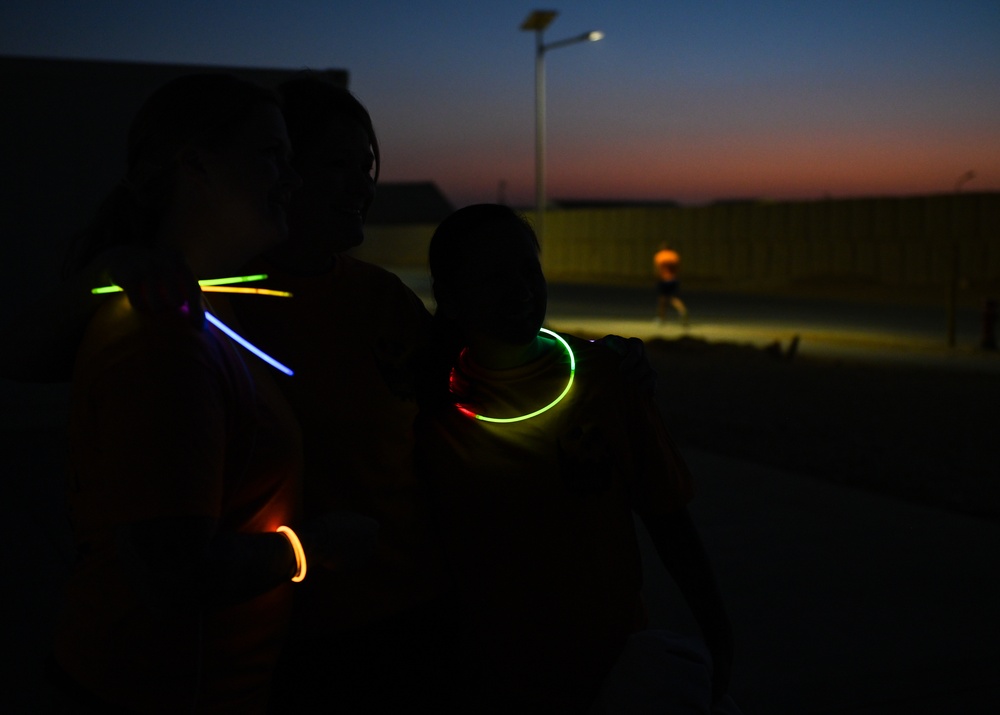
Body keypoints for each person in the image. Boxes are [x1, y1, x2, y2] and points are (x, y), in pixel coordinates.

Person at [48, 73, 377, 714]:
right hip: (163, 687)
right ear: (196, 165)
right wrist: (311, 548)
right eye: (271, 157)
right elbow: (170, 574)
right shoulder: (163, 338)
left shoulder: (191, 317)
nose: (292, 179)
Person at [417, 204, 735, 713]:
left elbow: (667, 515)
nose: (520, 288)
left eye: (528, 269)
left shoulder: (605, 378)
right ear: (450, 299)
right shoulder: (430, 406)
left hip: (612, 671)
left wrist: (718, 632)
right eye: (495, 275)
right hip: (494, 675)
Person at [654, 242, 689, 326]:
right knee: (674, 298)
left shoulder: (659, 256)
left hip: (663, 279)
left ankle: (661, 319)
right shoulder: (674, 256)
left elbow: (657, 269)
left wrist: (657, 278)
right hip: (673, 279)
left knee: (662, 299)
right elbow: (678, 268)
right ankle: (682, 311)